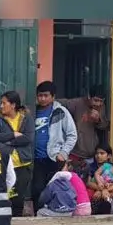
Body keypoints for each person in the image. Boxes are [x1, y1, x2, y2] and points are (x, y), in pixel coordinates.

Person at [30, 81, 78, 215]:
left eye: (46, 96)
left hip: (54, 158)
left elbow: (72, 135)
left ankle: (53, 216)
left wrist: (63, 153)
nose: (42, 99)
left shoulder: (60, 112)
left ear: (53, 97)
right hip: (37, 158)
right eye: (40, 96)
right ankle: (38, 215)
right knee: (37, 189)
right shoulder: (33, 111)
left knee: (55, 188)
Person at [0, 90, 34, 216]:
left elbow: (28, 139)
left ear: (13, 105)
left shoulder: (26, 118)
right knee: (3, 198)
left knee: (18, 200)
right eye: (1, 103)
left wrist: (7, 141)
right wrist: (13, 135)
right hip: (4, 164)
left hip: (22, 165)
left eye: (4, 103)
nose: (1, 106)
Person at [61, 85, 109, 165]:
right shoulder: (77, 103)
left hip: (92, 155)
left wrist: (98, 120)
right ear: (89, 97)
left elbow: (105, 126)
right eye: (96, 100)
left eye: (101, 101)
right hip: (74, 153)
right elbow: (57, 102)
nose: (98, 104)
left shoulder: (102, 107)